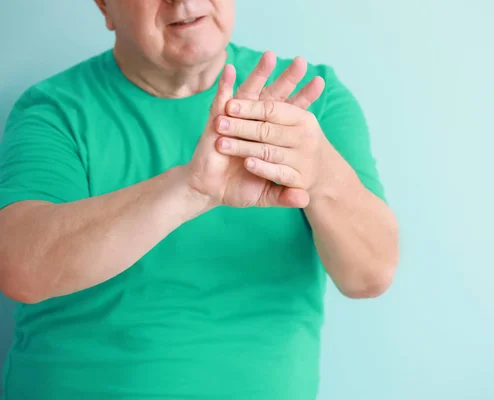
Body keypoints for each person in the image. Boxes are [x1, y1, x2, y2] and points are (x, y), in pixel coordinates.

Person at [0, 0, 399, 399]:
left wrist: (319, 173)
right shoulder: (54, 110)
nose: (185, 2)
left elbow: (369, 276)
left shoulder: (311, 101)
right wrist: (190, 190)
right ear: (105, 5)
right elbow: (21, 270)